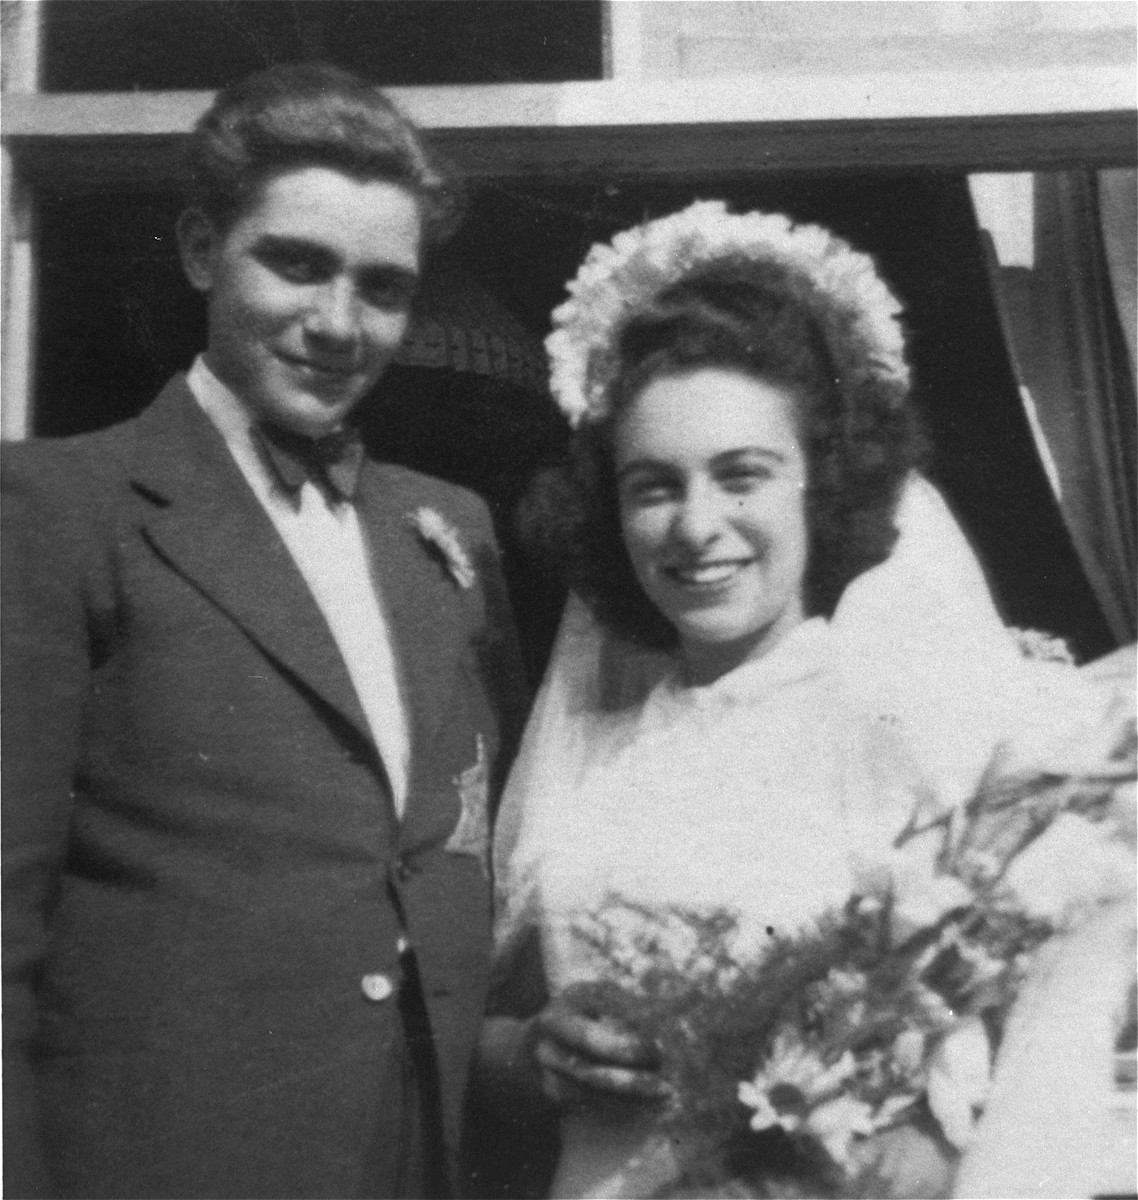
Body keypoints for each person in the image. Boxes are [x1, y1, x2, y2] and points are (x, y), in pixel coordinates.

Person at [480, 201, 1135, 1198]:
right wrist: (535, 1049)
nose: (697, 526)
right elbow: (491, 1023)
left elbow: (1024, 1043)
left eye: (742, 475)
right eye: (653, 486)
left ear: (817, 486)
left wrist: (914, 1153)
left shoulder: (905, 720)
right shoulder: (593, 755)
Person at [2, 62, 526, 1200]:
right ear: (202, 250)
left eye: (383, 288)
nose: (338, 323)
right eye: (296, 264)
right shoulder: (58, 513)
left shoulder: (451, 532)